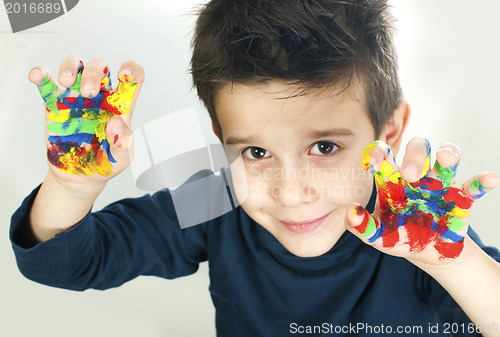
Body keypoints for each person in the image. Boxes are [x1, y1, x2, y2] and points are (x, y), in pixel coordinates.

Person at [9, 0, 500, 336]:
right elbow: (65, 263)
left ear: (388, 131)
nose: (290, 192)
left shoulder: (413, 229)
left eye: (325, 147)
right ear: (222, 137)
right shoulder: (215, 200)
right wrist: (71, 184)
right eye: (256, 153)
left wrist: (454, 264)